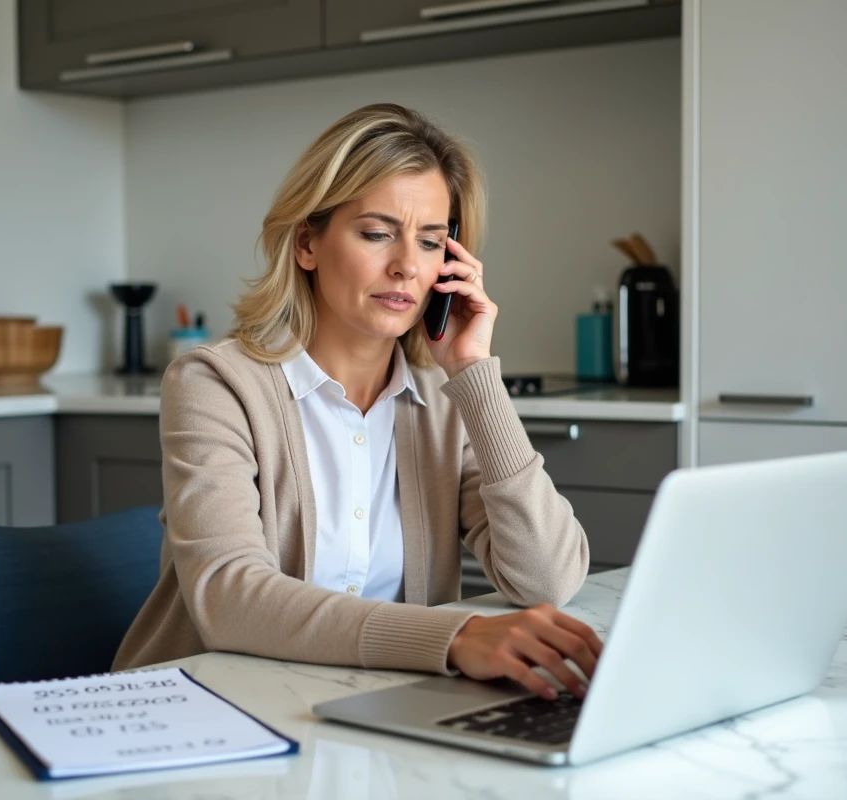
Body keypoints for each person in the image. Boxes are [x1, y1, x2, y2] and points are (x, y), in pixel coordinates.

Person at [113, 103, 602, 701]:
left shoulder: (444, 405)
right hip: (212, 712)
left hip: (372, 706)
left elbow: (548, 579)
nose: (405, 267)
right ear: (306, 244)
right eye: (376, 234)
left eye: (430, 242)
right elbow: (228, 595)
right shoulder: (215, 384)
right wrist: (452, 637)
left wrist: (474, 376)